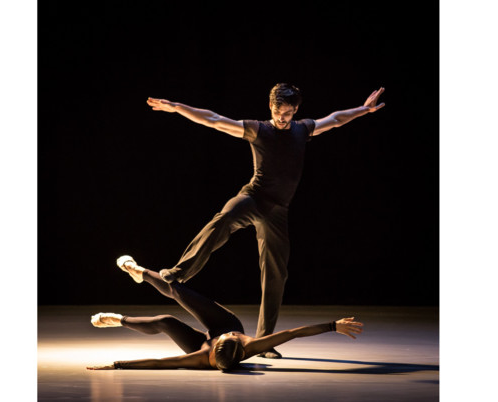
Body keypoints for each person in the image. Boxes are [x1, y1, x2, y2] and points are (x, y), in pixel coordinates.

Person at [144, 84, 384, 358]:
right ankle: (179, 271)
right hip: (252, 198)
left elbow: (336, 119)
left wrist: (364, 109)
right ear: (271, 106)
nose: (283, 118)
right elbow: (213, 119)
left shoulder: (302, 129)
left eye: (289, 113)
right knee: (224, 219)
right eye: (279, 112)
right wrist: (176, 107)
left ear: (296, 110)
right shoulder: (258, 129)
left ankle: (265, 341)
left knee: (276, 274)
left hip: (277, 211)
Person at [86, 256, 364, 371]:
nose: (229, 335)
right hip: (221, 320)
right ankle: (141, 273)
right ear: (241, 347)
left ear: (213, 351)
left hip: (198, 345)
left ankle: (119, 320)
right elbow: (293, 333)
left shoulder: (199, 357)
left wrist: (117, 365)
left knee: (166, 321)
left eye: (226, 338)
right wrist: (333, 325)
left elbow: (161, 362)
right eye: (232, 337)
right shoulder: (250, 344)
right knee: (178, 291)